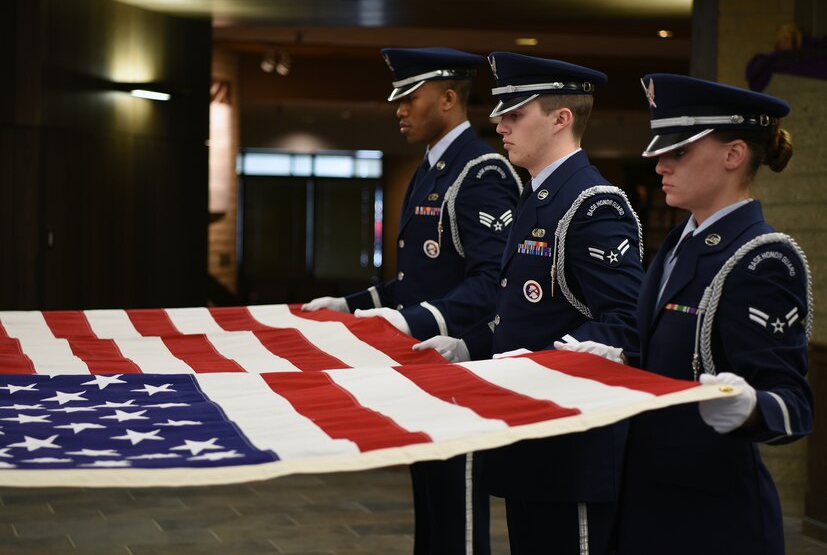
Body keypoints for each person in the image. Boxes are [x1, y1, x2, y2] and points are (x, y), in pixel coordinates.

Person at [415, 52, 644, 554]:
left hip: (572, 447)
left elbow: (627, 323)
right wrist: (468, 345)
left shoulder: (592, 203)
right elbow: (521, 312)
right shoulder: (537, 196)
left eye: (516, 114)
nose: (499, 123)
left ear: (561, 119)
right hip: (529, 439)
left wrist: (548, 360)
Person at [303, 47, 521, 555]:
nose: (398, 108)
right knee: (431, 502)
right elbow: (419, 279)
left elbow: (492, 282)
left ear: (448, 98)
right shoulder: (431, 168)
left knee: (458, 512)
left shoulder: (480, 172)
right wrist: (350, 305)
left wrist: (411, 320)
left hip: (459, 362)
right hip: (424, 363)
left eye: (410, 97)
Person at [586, 74, 813, 554]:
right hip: (647, 503)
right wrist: (623, 361)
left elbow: (794, 403)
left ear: (734, 155)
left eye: (680, 151)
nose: (660, 163)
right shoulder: (678, 242)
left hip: (711, 520)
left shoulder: (761, 258)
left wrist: (750, 406)